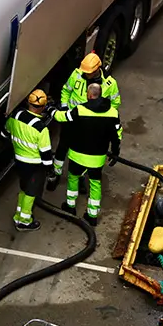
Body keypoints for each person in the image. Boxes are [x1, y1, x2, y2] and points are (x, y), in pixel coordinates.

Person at [47, 52, 121, 192]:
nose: (85, 74)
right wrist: (64, 108)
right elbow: (65, 91)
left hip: (89, 125)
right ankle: (55, 174)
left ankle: (80, 177)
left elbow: (115, 102)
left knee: (84, 151)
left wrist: (102, 117)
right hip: (72, 119)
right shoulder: (76, 75)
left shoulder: (109, 84)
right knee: (62, 147)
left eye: (88, 72)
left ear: (96, 70)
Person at [51, 82, 122, 227]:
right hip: (97, 158)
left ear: (89, 95)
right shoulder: (113, 112)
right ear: (100, 94)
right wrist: (115, 152)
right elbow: (116, 134)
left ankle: (70, 206)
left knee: (73, 178)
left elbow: (62, 117)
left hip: (77, 154)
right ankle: (92, 215)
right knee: (95, 184)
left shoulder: (80, 110)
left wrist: (51, 110)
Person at [3, 89, 54, 231]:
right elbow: (46, 154)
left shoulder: (16, 116)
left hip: (19, 162)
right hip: (35, 166)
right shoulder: (41, 129)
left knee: (24, 189)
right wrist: (50, 170)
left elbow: (5, 132)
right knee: (31, 192)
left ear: (28, 102)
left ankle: (18, 215)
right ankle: (24, 221)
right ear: (43, 107)